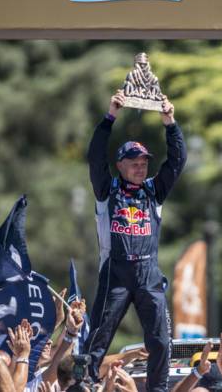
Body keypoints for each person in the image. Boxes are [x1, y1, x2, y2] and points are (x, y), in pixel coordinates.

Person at [84, 90, 187, 392]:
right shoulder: (107, 190)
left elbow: (177, 161)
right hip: (115, 274)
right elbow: (94, 157)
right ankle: (82, 384)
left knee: (161, 342)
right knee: (97, 340)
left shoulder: (154, 191)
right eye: (133, 162)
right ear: (120, 165)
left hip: (148, 276)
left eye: (144, 162)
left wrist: (170, 123)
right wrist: (110, 116)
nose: (141, 166)